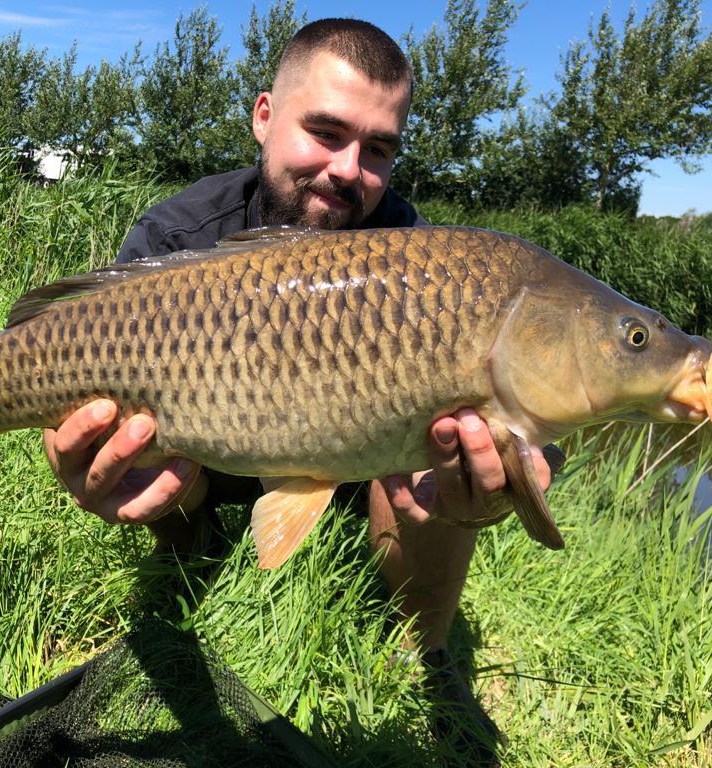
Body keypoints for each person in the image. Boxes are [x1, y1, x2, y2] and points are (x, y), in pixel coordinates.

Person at [43, 17, 554, 748]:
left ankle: (427, 661)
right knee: (148, 447)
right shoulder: (179, 235)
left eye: (378, 149)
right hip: (207, 455)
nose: (349, 169)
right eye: (326, 132)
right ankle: (188, 559)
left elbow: (509, 423)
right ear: (264, 116)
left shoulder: (418, 253)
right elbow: (70, 385)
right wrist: (84, 459)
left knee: (445, 456)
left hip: (355, 465)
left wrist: (500, 480)